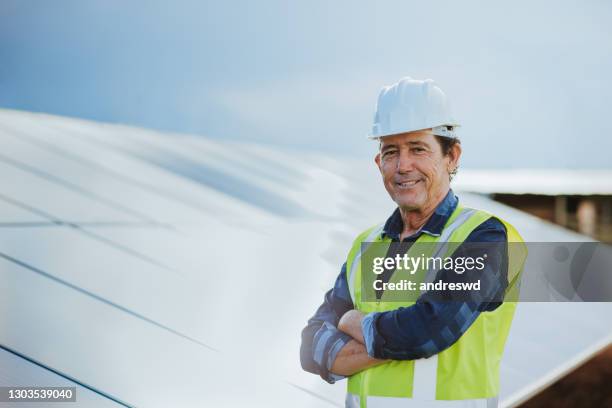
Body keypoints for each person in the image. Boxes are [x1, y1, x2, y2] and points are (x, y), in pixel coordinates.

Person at [300, 77, 525, 408]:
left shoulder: (486, 237)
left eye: (418, 149)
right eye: (391, 152)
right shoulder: (367, 243)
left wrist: (352, 323)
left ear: (452, 156)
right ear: (379, 163)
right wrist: (393, 341)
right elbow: (310, 346)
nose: (403, 166)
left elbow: (430, 331)